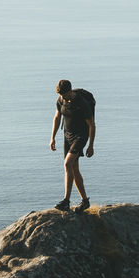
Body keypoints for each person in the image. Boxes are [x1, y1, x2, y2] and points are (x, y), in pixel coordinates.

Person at [49, 79, 95, 212]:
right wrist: (52, 138)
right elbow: (57, 117)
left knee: (67, 164)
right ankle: (85, 201)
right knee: (74, 168)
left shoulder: (81, 103)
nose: (62, 97)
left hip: (81, 136)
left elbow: (91, 124)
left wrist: (91, 145)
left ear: (70, 91)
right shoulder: (61, 100)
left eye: (64, 94)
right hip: (67, 136)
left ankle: (66, 200)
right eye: (60, 95)